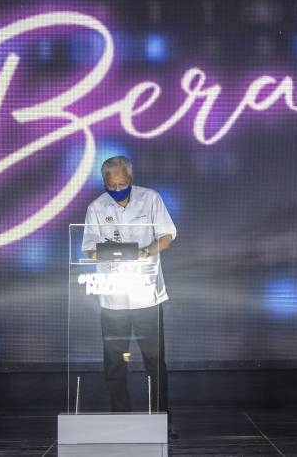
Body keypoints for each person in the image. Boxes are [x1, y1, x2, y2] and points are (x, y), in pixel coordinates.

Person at [82, 155, 176, 419]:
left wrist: (146, 251)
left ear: (130, 179)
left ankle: (160, 419)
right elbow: (89, 248)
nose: (117, 189)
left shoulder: (151, 198)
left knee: (155, 362)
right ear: (104, 183)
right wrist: (110, 254)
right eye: (111, 186)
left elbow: (167, 236)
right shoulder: (96, 207)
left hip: (146, 294)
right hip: (113, 297)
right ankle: (120, 418)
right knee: (115, 362)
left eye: (122, 183)